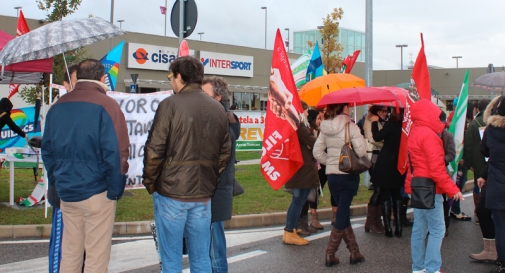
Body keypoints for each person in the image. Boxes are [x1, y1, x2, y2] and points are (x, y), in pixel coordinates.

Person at [143, 56, 231, 272]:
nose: (171, 81)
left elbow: (154, 150)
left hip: (172, 193)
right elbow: (225, 152)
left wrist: (150, 181)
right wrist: (210, 177)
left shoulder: (170, 105)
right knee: (201, 258)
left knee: (171, 259)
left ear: (180, 77)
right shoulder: (217, 108)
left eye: (171, 76)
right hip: (202, 196)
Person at [42, 59, 130, 272]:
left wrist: (57, 182)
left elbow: (48, 151)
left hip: (67, 192)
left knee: (71, 253)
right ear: (102, 78)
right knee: (96, 258)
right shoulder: (108, 106)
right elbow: (117, 152)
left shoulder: (57, 107)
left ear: (78, 77)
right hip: (97, 191)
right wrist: (116, 189)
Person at [405, 99, 463, 273]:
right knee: (437, 229)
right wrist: (453, 190)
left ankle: (418, 267)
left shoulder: (414, 131)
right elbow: (437, 170)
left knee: (419, 228)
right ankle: (432, 268)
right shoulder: (430, 136)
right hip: (429, 188)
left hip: (415, 185)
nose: (441, 120)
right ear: (429, 115)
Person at [313, 103, 367, 267]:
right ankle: (330, 254)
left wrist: (329, 162)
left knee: (343, 214)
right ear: (343, 109)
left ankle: (354, 252)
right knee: (342, 215)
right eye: (347, 107)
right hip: (348, 175)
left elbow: (317, 152)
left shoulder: (325, 127)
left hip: (333, 177)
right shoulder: (351, 126)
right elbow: (362, 151)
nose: (350, 109)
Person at [201, 76, 240, 273]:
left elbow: (214, 161)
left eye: (204, 93)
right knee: (211, 245)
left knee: (214, 249)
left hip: (212, 193)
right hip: (212, 191)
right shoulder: (224, 118)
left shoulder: (220, 122)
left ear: (217, 97)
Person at [47, 64, 82, 273]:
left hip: (89, 194)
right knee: (62, 249)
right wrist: (58, 179)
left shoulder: (93, 109)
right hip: (63, 193)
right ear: (66, 84)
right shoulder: (57, 110)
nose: (79, 86)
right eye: (76, 82)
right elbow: (49, 151)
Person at [282, 101, 319, 243]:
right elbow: (312, 142)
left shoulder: (295, 125)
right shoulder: (298, 125)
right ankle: (290, 230)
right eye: (305, 110)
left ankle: (291, 228)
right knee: (298, 201)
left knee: (299, 200)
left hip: (300, 169)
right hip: (302, 170)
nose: (307, 113)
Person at [371, 108, 406, 238]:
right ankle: (399, 226)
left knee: (385, 194)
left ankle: (388, 229)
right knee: (397, 194)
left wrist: (375, 123)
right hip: (399, 162)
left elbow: (377, 137)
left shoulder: (390, 125)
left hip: (386, 162)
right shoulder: (406, 127)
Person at [480, 95, 505, 273]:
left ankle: (502, 261)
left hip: (497, 184)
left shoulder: (490, 129)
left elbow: (484, 150)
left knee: (501, 226)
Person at [464, 99, 490, 223]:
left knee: (478, 183)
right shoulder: (495, 121)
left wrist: (469, 163)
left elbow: (468, 145)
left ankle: (479, 210)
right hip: (493, 159)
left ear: (478, 109)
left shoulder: (474, 124)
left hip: (478, 159)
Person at [363, 106, 387, 233]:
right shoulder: (370, 121)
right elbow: (372, 139)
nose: (384, 113)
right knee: (378, 188)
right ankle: (371, 221)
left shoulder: (378, 122)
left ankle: (376, 220)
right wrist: (386, 142)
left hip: (379, 156)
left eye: (386, 111)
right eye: (382, 111)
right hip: (374, 156)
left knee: (380, 189)